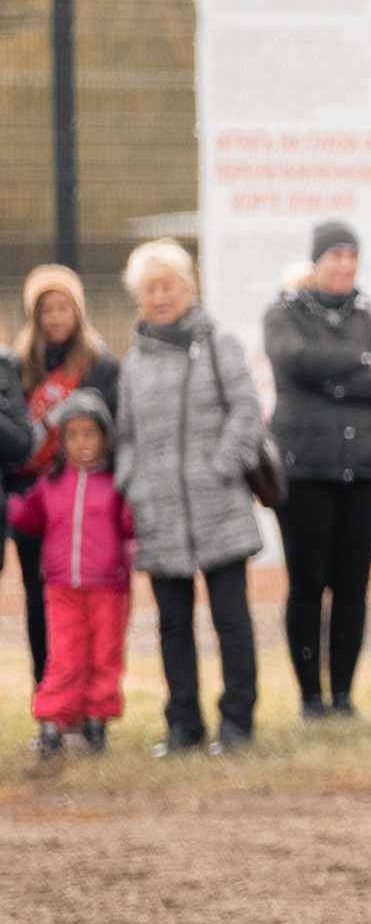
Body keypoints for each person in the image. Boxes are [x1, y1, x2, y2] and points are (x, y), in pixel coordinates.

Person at [118, 240, 264, 755]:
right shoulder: (133, 365)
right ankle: (183, 723)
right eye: (149, 288)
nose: (160, 296)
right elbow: (126, 435)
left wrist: (220, 468)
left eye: (168, 285)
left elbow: (247, 412)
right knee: (173, 624)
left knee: (231, 620)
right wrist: (132, 483)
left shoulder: (221, 344)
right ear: (139, 297)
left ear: (189, 288)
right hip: (159, 513)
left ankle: (237, 721)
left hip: (219, 507)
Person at [265, 221, 371, 719]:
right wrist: (357, 360)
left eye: (352, 255)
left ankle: (343, 696)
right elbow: (292, 360)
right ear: (316, 261)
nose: (344, 265)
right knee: (307, 584)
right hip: (305, 471)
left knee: (351, 586)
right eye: (334, 255)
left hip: (366, 471)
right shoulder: (283, 312)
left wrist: (333, 382)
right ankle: (311, 699)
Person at [8, 264, 120, 688]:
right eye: (45, 309)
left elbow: (114, 434)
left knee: (94, 608)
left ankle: (91, 700)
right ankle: (49, 699)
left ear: (78, 309)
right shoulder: (17, 368)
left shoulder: (101, 365)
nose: (54, 317)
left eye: (62, 307)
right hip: (36, 503)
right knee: (40, 602)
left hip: (87, 506)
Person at [8, 389, 133, 756]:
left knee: (105, 657)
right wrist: (9, 507)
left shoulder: (115, 484)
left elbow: (129, 526)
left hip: (109, 588)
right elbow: (31, 517)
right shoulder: (51, 481)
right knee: (64, 656)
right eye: (73, 434)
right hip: (62, 587)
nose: (81, 442)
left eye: (89, 433)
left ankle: (97, 719)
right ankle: (53, 720)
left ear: (105, 438)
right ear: (61, 441)